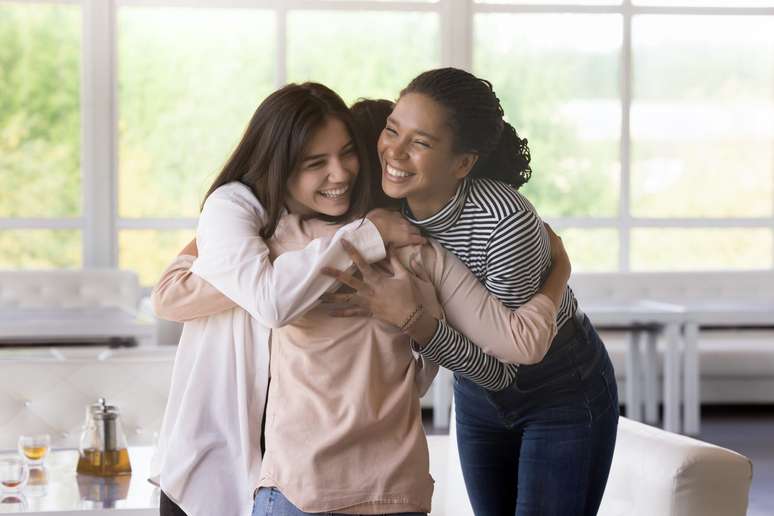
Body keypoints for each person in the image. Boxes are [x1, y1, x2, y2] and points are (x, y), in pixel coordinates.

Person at [151, 86, 570, 516]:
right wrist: (559, 272)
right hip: (373, 485)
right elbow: (479, 358)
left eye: (347, 154)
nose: (339, 174)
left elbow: (172, 291)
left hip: (294, 485)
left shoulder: (280, 244)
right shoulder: (401, 252)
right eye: (316, 162)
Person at [328, 68, 619, 516]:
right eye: (392, 131)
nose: (396, 151)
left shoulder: (503, 220)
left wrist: (414, 321)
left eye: (420, 143)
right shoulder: (383, 205)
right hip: (475, 388)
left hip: (558, 384)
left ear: (462, 163)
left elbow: (509, 366)